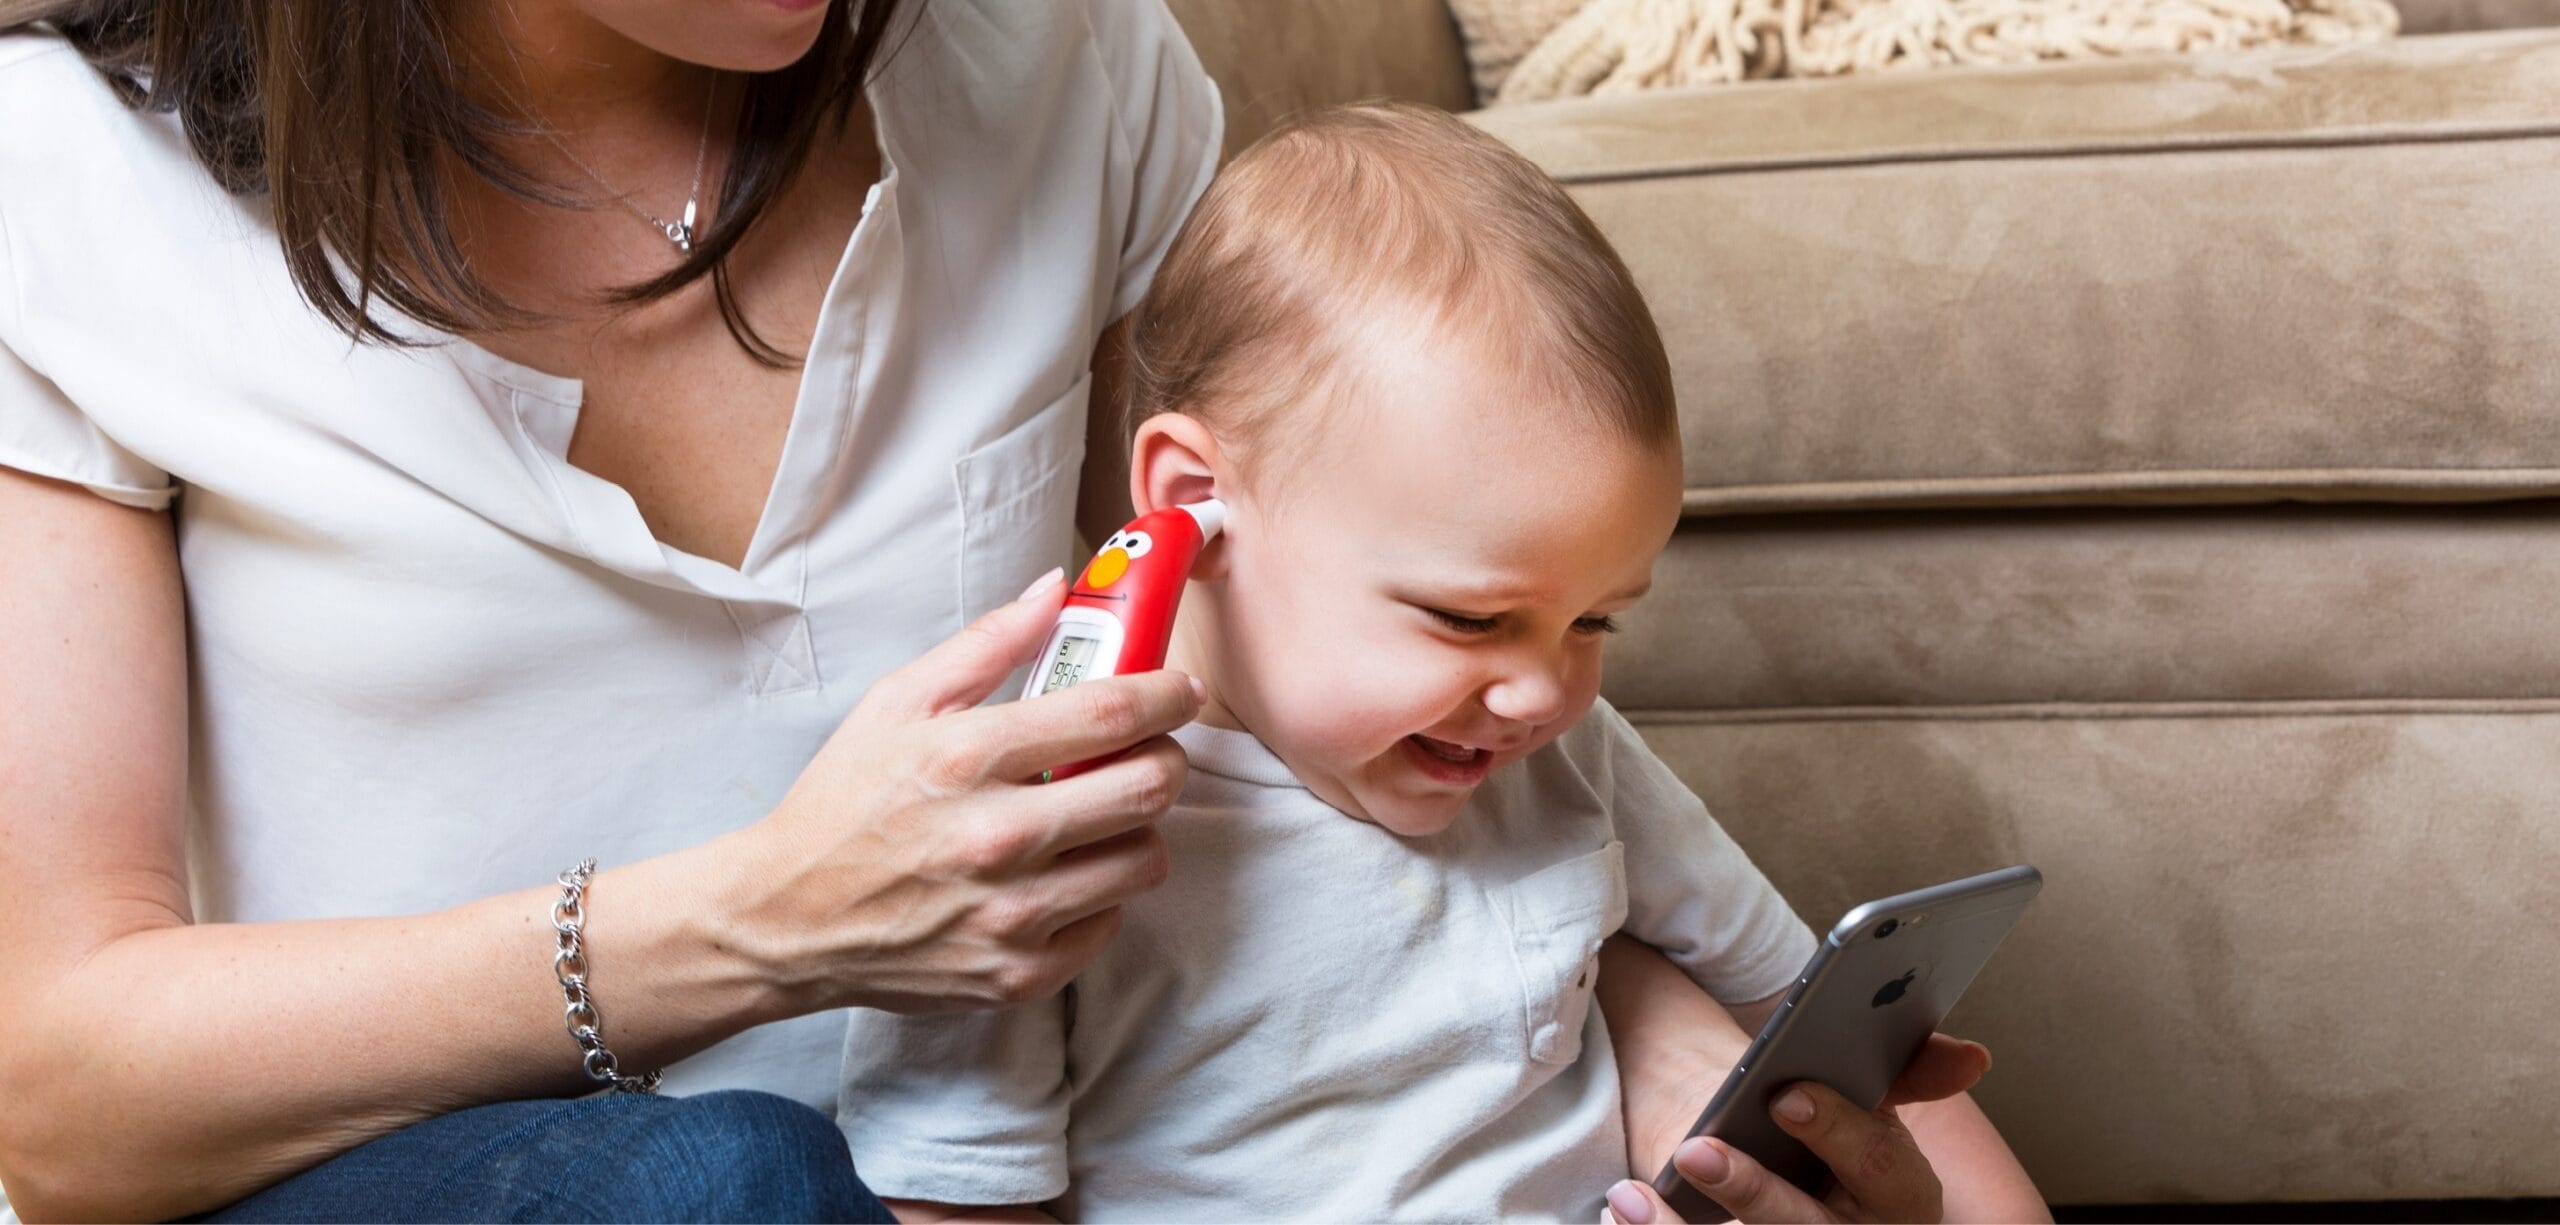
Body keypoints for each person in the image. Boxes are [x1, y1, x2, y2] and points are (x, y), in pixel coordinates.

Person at [0, 0, 2000, 1218]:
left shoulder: (1058, 62)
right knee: (721, 1185)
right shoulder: (62, 196)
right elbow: (65, 1102)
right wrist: (757, 925)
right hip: (452, 1184)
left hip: (1009, 1157)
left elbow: (1311, 650)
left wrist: (1627, 1017)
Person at [834, 102, 2051, 1224]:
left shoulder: (1572, 755)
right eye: (1471, 620)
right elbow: (959, 1195)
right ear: (1196, 505)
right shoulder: (1036, 818)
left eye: (1593, 621)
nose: (1541, 692)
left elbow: (1794, 1004)